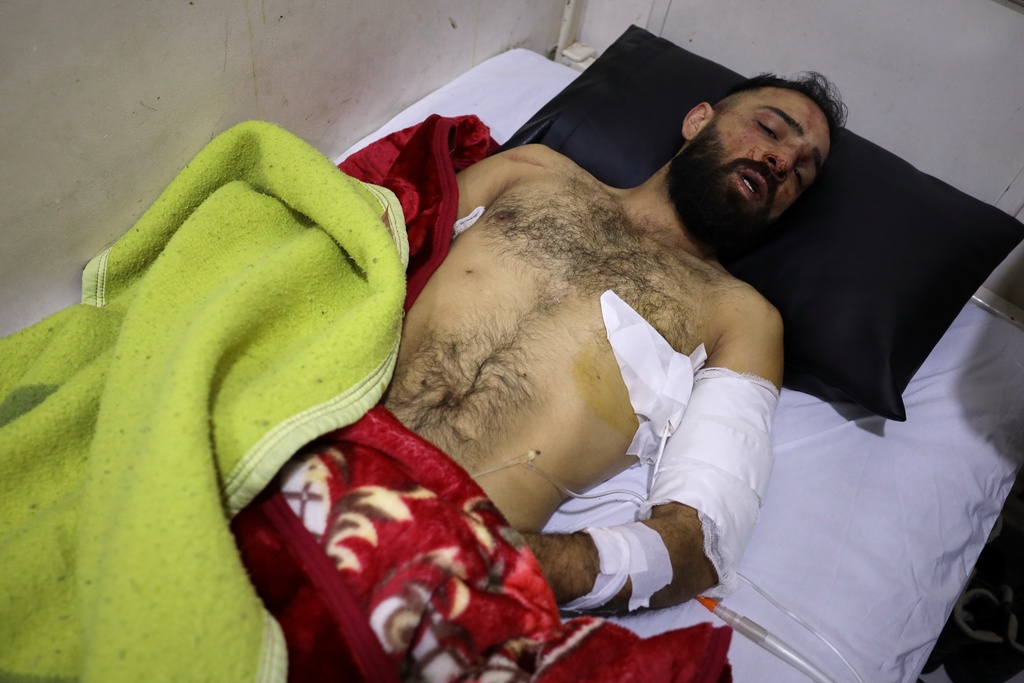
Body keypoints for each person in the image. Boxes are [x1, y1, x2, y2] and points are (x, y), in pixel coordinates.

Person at [383, 73, 847, 612]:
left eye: (802, 170)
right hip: (299, 442)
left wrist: (501, 564)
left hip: (436, 572)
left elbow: (703, 542)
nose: (781, 161)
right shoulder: (531, 169)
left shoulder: (741, 319)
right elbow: (372, 248)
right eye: (769, 128)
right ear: (699, 121)